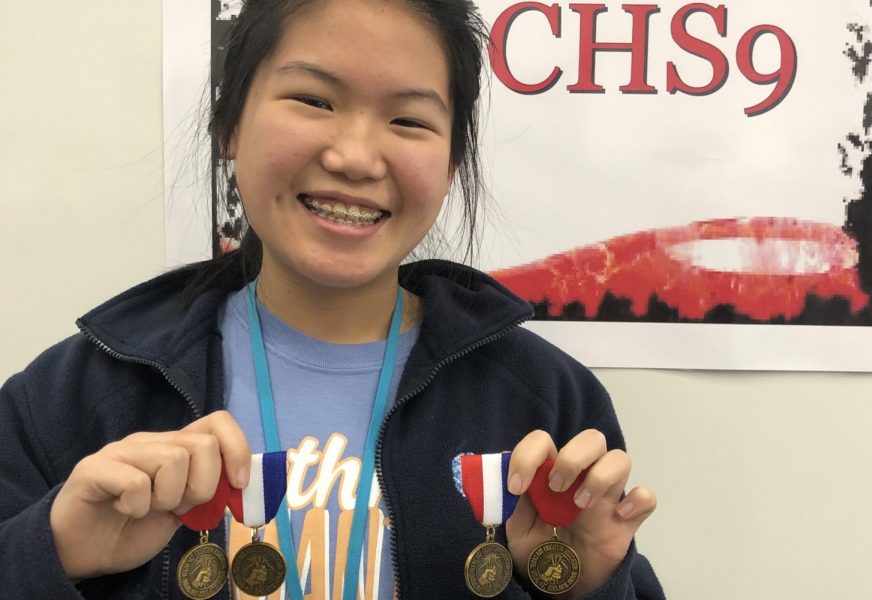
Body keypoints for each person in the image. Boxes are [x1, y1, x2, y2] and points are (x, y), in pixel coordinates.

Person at [0, 0, 664, 598]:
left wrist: (590, 586)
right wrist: (49, 553)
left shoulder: (543, 402)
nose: (354, 156)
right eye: (315, 101)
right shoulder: (74, 398)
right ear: (230, 125)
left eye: (408, 119)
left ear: (452, 162)